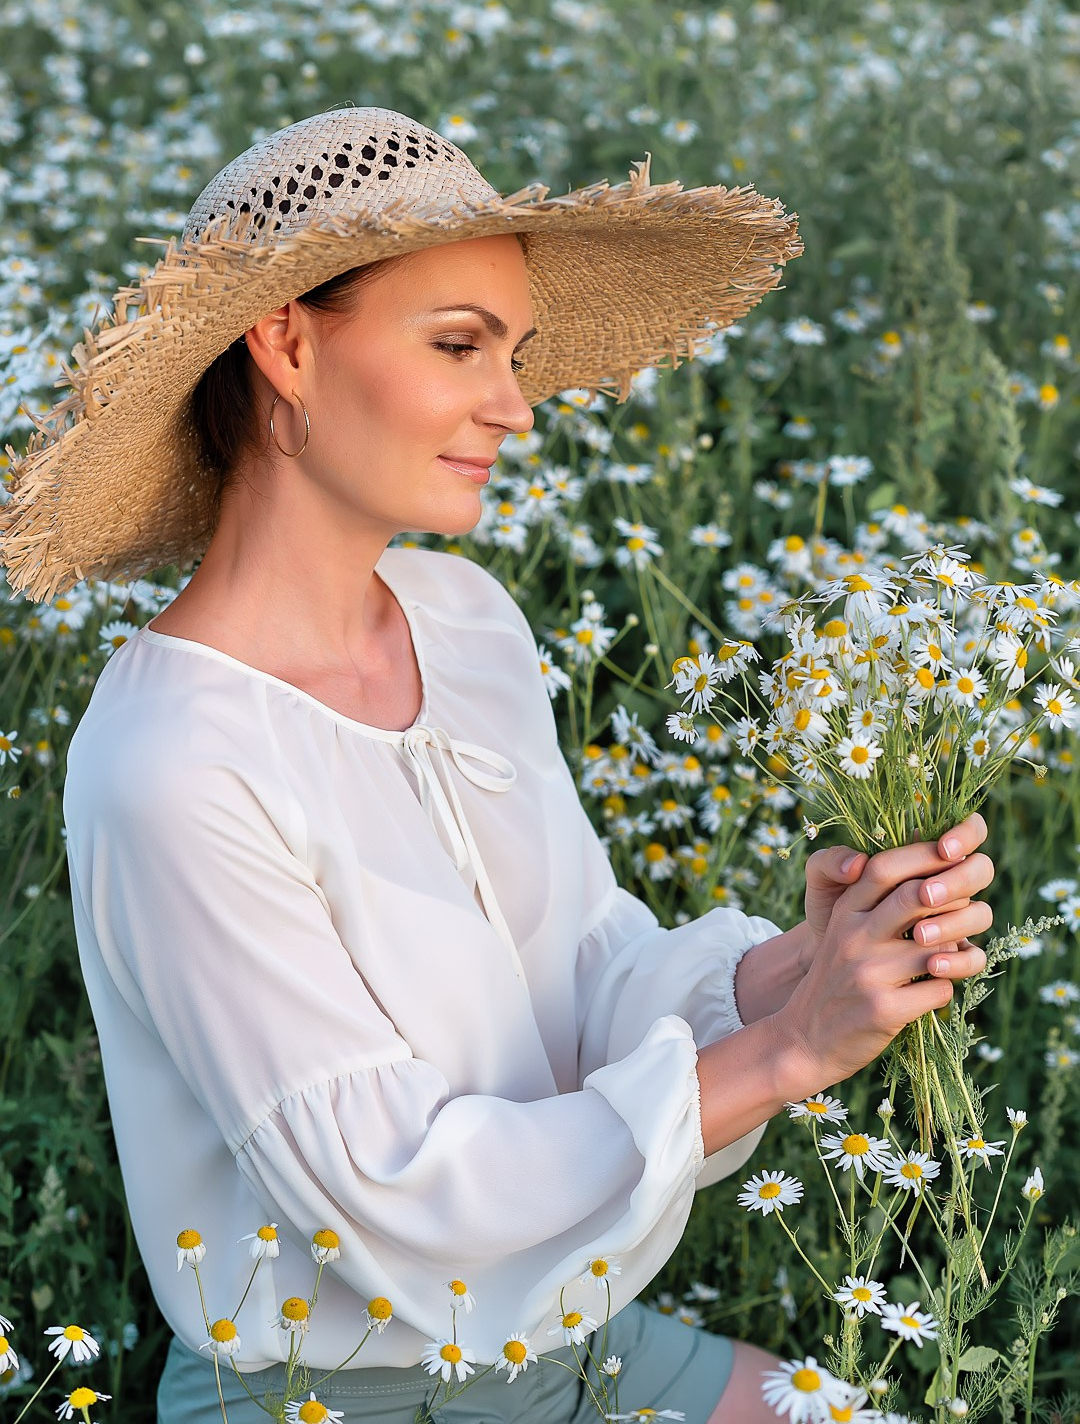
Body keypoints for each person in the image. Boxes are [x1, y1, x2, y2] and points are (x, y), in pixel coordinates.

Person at [1, 107, 994, 1424]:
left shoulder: (464, 623)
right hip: (337, 1386)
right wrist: (789, 1055)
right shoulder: (172, 761)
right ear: (287, 343)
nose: (517, 406)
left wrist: (797, 967)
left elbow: (581, 973)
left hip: (567, 1327)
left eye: (512, 353)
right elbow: (393, 1192)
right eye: (459, 345)